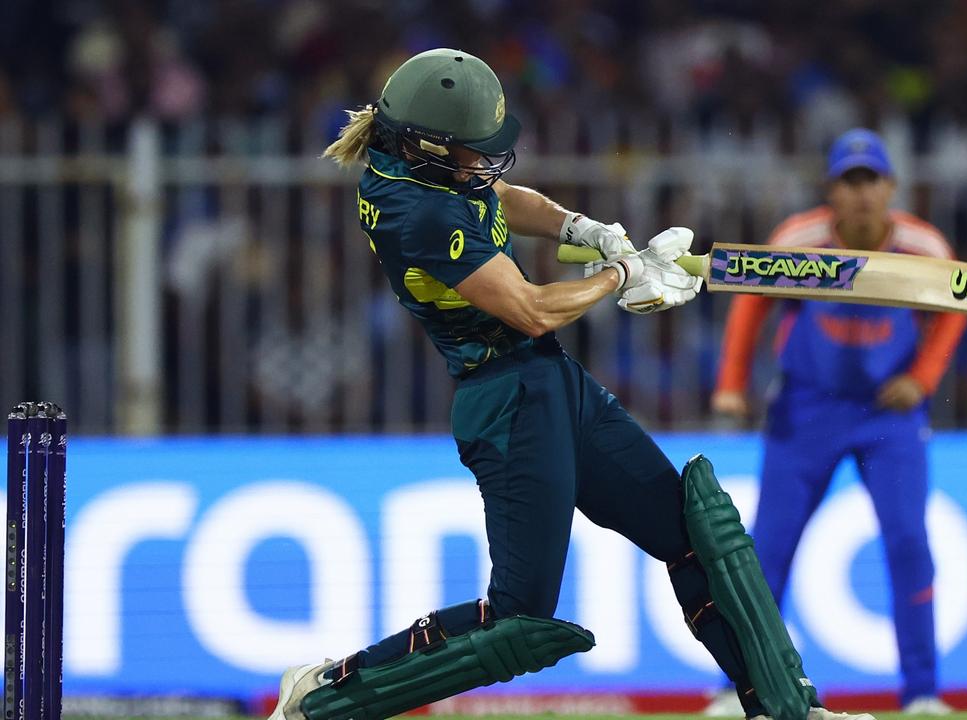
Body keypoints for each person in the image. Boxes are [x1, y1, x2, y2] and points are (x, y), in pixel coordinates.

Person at [266, 49, 875, 720]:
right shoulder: (423, 215)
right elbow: (528, 308)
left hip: (547, 380)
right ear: (427, 145)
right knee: (519, 618)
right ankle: (324, 697)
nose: (486, 161)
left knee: (697, 536)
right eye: (472, 150)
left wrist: (585, 231)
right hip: (506, 400)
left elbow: (504, 198)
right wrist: (625, 276)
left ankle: (790, 710)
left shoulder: (428, 169)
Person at [708, 129, 967, 716]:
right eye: (848, 183)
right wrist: (731, 384)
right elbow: (750, 302)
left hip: (889, 415)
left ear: (891, 188)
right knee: (766, 550)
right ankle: (735, 691)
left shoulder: (923, 246)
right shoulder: (799, 240)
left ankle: (923, 695)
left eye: (870, 181)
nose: (860, 195)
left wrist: (923, 379)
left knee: (908, 544)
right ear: (830, 190)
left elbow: (957, 308)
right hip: (808, 409)